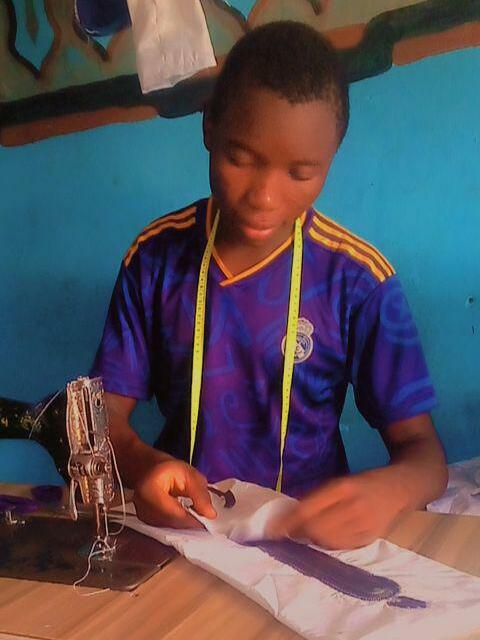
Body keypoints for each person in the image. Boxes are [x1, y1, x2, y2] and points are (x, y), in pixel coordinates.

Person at [91, 21, 448, 550]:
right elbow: (100, 417)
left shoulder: (357, 281)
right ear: (209, 127)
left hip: (307, 543)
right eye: (241, 158)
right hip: (187, 532)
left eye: (300, 173)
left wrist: (388, 491)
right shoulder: (154, 259)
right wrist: (141, 464)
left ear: (331, 157)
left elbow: (426, 456)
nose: (263, 197)